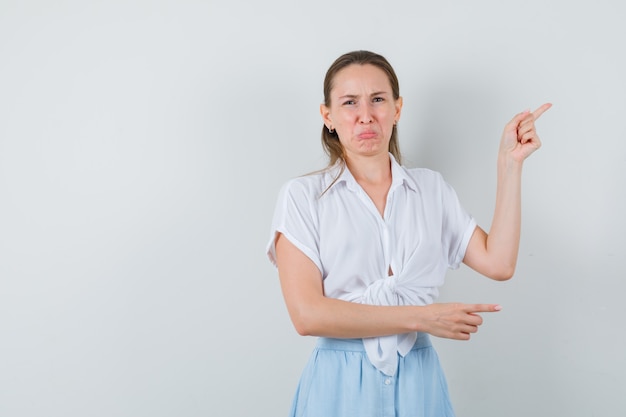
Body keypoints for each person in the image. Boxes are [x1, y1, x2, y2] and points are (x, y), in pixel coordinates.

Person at [266, 50, 551, 417]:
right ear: (328, 116)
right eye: (349, 102)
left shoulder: (430, 189)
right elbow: (307, 315)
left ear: (397, 109)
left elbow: (498, 262)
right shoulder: (303, 197)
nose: (366, 115)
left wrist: (509, 165)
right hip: (339, 385)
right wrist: (420, 317)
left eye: (378, 100)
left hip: (420, 381)